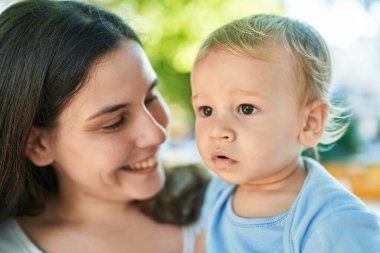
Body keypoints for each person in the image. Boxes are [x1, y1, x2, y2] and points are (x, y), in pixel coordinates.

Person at [0, 0, 201, 252]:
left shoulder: (227, 204)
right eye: (115, 122)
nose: (157, 135)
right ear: (38, 144)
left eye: (151, 97)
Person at [191, 14, 380, 252]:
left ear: (309, 123)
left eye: (246, 108)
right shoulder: (219, 191)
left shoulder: (334, 221)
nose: (217, 131)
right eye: (206, 110)